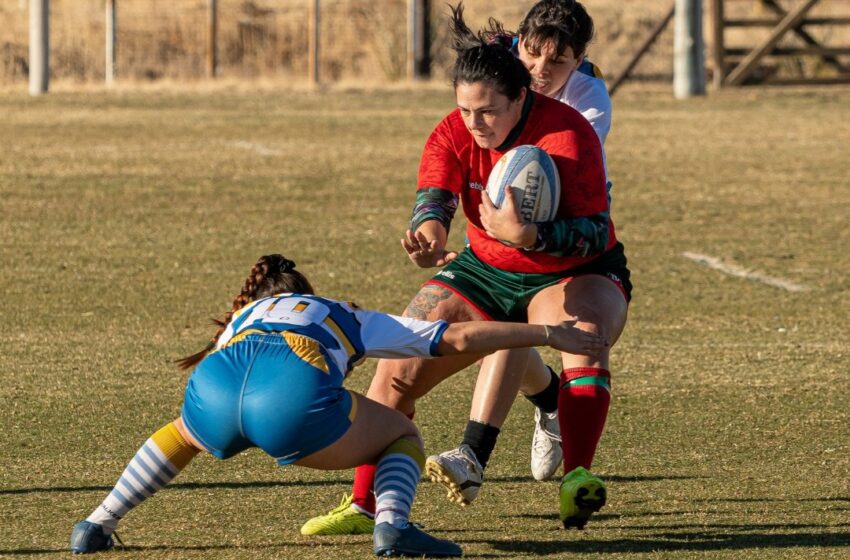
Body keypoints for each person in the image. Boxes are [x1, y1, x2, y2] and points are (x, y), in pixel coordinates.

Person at [300, 1, 630, 537]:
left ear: (520, 98)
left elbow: (594, 228)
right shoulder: (453, 129)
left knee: (585, 339)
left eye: (489, 113)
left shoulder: (570, 133)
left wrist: (533, 236)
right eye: (466, 111)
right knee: (396, 368)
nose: (475, 124)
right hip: (486, 267)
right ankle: (364, 505)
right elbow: (434, 196)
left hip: (575, 268)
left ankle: (578, 478)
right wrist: (429, 233)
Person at [68, 253, 607, 556]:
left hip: (215, 385)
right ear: (306, 289)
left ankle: (97, 522)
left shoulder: (243, 317)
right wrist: (543, 332)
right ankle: (391, 526)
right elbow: (459, 338)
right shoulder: (339, 311)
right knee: (402, 431)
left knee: (182, 434)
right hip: (289, 401)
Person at [429, 0, 616, 507]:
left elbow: (541, 168)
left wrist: (521, 233)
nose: (540, 70)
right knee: (509, 312)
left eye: (557, 63)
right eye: (531, 55)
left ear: (580, 61)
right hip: (499, 216)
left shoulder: (588, 99)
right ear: (519, 46)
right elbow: (463, 141)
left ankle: (477, 451)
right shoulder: (504, 74)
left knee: (525, 310)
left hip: (560, 215)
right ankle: (547, 400)